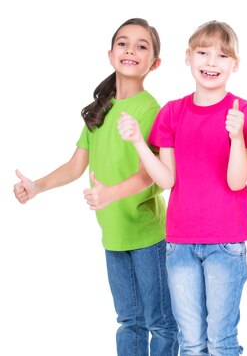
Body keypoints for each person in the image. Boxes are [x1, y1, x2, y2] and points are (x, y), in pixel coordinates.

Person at [12, 18, 179, 356]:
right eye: (123, 42)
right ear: (110, 54)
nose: (131, 49)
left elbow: (152, 174)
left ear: (155, 63)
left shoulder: (151, 110)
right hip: (113, 235)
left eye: (142, 45)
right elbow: (76, 165)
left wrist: (110, 194)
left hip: (149, 236)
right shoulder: (100, 111)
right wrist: (37, 186)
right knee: (129, 321)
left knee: (160, 321)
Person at [118, 20, 247, 356]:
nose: (211, 62)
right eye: (203, 53)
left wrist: (237, 136)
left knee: (220, 342)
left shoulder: (241, 111)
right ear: (188, 57)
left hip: (225, 243)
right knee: (192, 343)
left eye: (222, 56)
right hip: (179, 244)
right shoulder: (172, 112)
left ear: (235, 65)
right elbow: (167, 179)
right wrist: (139, 142)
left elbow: (237, 181)